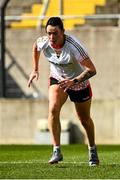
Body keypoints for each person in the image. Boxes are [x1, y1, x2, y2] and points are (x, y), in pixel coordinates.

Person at [28, 17, 99, 166]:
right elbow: (35, 46)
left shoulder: (74, 47)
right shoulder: (44, 41)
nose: (51, 37)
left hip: (78, 82)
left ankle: (92, 150)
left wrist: (74, 81)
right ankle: (56, 150)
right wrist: (35, 69)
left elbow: (92, 70)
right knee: (53, 108)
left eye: (55, 33)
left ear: (63, 32)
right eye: (49, 33)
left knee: (84, 119)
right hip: (57, 79)